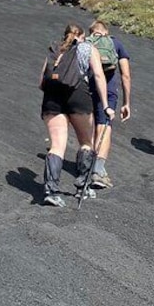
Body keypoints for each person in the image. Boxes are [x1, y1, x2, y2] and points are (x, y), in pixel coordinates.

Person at [39, 24, 114, 207]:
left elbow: (41, 82)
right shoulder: (88, 48)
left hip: (52, 98)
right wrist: (106, 106)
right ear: (81, 36)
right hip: (78, 95)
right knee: (86, 143)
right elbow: (98, 75)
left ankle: (51, 190)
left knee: (56, 145)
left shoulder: (55, 49)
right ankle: (83, 186)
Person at [83, 20, 131, 189]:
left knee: (90, 126)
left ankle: (87, 164)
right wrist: (126, 102)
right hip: (109, 92)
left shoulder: (85, 43)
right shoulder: (115, 43)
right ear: (106, 31)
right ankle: (97, 170)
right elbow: (125, 75)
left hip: (86, 89)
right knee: (104, 127)